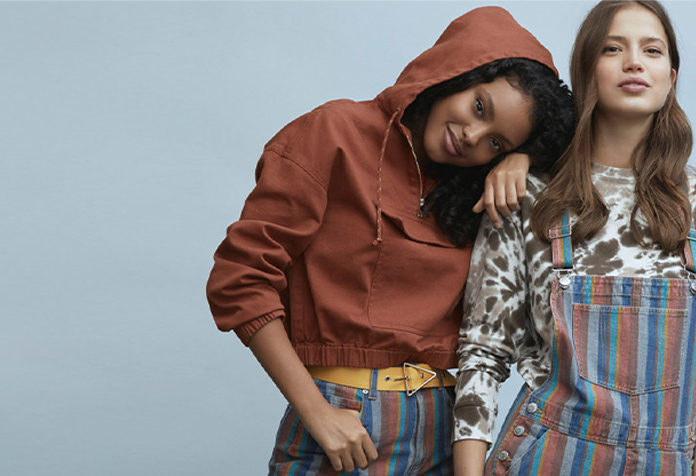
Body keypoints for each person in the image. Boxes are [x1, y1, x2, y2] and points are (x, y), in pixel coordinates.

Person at [207, 6, 574, 475]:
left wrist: (526, 163)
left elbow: (598, 169)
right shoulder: (335, 133)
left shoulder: (480, 191)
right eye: (480, 107)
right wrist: (316, 412)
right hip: (347, 423)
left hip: (445, 426)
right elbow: (238, 280)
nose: (473, 135)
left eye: (497, 143)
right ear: (456, 73)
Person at [453, 1, 696, 475]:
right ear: (586, 70)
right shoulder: (527, 196)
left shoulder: (694, 200)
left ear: (670, 76)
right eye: (612, 48)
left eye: (652, 49)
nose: (634, 62)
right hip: (545, 460)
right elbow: (483, 354)